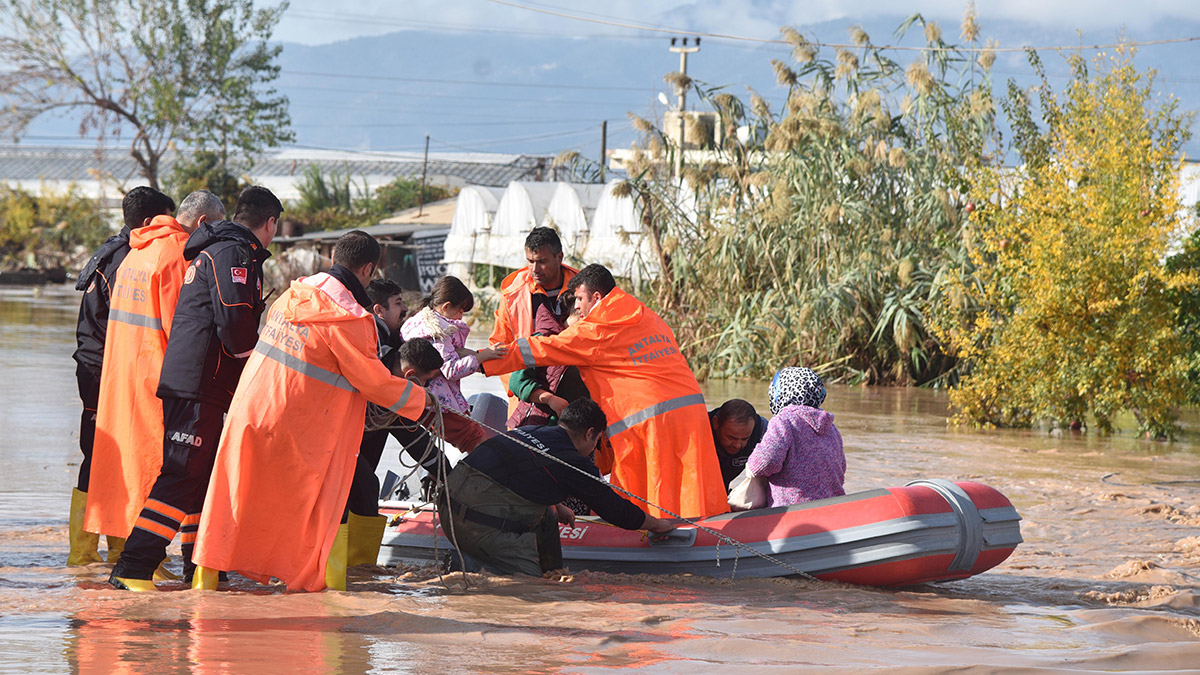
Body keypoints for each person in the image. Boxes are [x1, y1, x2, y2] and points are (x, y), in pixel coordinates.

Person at [191, 231, 432, 592]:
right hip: (300, 430)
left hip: (249, 415)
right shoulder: (350, 319)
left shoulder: (291, 296)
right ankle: (328, 599)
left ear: (334, 256)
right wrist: (423, 401)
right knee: (323, 512)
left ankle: (205, 588)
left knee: (231, 500)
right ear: (369, 269)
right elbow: (375, 383)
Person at [108, 187, 279, 591]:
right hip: (200, 382)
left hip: (199, 381)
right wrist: (257, 369)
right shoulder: (233, 252)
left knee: (199, 478)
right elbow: (235, 324)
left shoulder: (219, 250)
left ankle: (200, 567)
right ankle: (133, 568)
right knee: (182, 475)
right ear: (271, 223)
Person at [481, 264, 729, 519]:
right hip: (693, 411)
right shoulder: (646, 315)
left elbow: (540, 349)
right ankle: (705, 526)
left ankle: (648, 529)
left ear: (597, 297)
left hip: (649, 421)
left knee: (645, 491)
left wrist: (479, 361)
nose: (577, 306)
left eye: (579, 299)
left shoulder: (596, 329)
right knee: (692, 481)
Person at [84, 189, 210, 549]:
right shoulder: (178, 255)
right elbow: (182, 329)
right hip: (159, 378)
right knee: (162, 468)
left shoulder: (135, 253)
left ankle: (121, 552)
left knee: (125, 465)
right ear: (203, 223)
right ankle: (147, 558)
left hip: (121, 377)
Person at [439, 398, 675, 576]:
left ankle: (552, 572)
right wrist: (658, 525)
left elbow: (517, 473)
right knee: (533, 594)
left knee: (548, 514)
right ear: (590, 434)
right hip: (476, 524)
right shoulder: (572, 461)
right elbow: (614, 509)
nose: (594, 447)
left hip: (447, 507)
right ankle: (514, 573)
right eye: (597, 441)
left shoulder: (532, 431)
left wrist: (557, 504)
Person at [67, 187, 175, 565]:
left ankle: (97, 551)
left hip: (93, 364)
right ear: (149, 221)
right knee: (111, 457)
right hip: (108, 368)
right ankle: (93, 552)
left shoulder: (110, 252)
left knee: (99, 456)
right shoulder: (131, 258)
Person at [345, 337, 444, 567]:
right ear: (410, 375)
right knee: (366, 487)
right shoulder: (373, 376)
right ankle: (359, 569)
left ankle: (359, 569)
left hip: (354, 450)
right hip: (334, 441)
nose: (426, 389)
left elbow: (416, 439)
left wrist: (444, 472)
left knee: (365, 489)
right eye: (426, 382)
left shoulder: (393, 391)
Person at [400, 276, 504, 453]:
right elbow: (451, 370)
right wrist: (482, 356)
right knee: (474, 439)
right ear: (446, 307)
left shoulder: (419, 322)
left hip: (424, 397)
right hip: (438, 400)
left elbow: (450, 352)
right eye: (461, 310)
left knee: (471, 437)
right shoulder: (438, 332)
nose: (461, 316)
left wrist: (475, 354)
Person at [489, 227, 579, 419]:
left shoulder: (584, 289)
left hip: (578, 394)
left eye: (542, 262)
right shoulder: (513, 294)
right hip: (529, 399)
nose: (535, 269)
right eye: (530, 261)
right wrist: (527, 391)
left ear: (559, 257)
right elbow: (500, 349)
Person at [745, 367, 845, 507]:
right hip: (833, 505)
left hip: (795, 508)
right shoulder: (830, 426)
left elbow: (764, 463)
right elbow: (841, 467)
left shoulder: (784, 421)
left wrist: (751, 463)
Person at [709, 399, 768, 491]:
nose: (737, 445)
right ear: (715, 423)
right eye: (731, 438)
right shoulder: (700, 429)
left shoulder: (762, 431)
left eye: (745, 439)